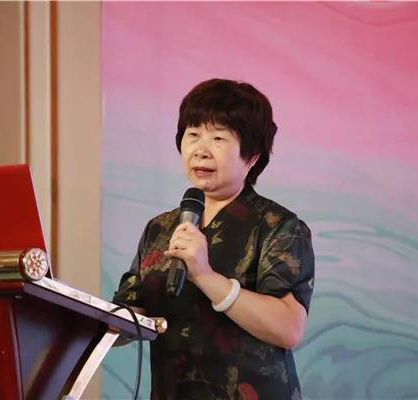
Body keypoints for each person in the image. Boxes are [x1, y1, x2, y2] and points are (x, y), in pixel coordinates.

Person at [114, 78, 315, 400]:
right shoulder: (160, 228)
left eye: (218, 138)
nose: (201, 150)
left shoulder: (278, 226)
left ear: (252, 156)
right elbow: (129, 314)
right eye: (192, 134)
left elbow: (288, 329)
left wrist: (206, 277)